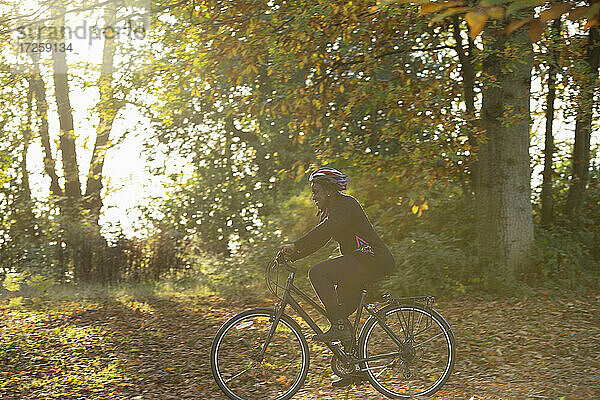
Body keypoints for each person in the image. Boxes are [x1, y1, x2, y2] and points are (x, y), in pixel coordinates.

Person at [280, 167, 395, 385]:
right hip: (361, 261)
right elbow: (321, 239)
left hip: (372, 260)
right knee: (340, 312)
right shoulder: (333, 210)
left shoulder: (346, 206)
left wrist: (295, 246)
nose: (313, 196)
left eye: (316, 191)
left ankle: (340, 327)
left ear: (330, 191)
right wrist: (293, 255)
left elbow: (326, 230)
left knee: (318, 273)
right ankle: (357, 368)